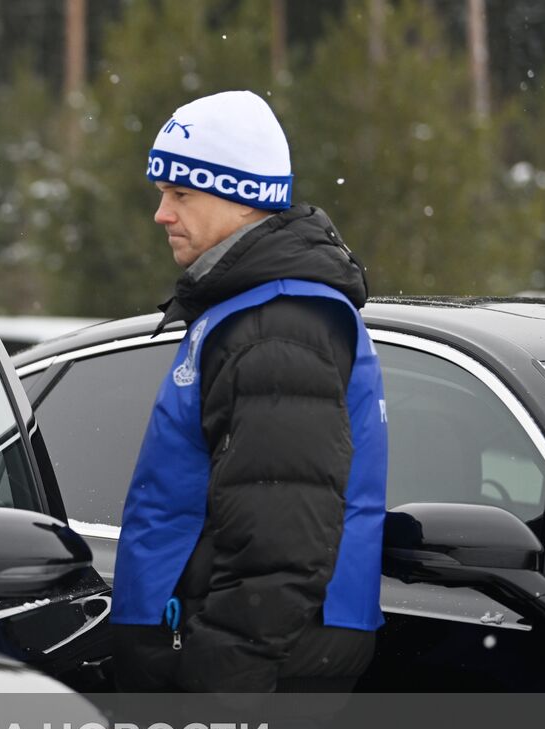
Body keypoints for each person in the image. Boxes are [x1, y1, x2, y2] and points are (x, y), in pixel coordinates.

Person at [111, 90, 389, 694]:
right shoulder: (250, 312)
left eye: (180, 194)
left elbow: (282, 537)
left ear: (242, 200)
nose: (161, 213)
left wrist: (215, 686)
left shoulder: (279, 327)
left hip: (252, 672)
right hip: (245, 656)